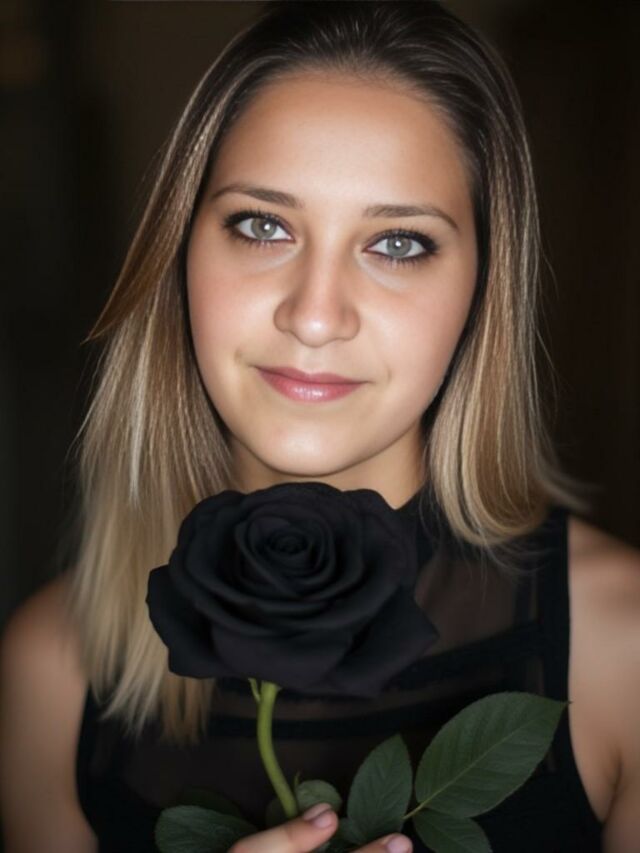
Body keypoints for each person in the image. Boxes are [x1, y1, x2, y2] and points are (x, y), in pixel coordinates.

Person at [1, 1, 639, 851]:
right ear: (178, 250)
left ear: (483, 289)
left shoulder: (624, 649)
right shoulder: (53, 669)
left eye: (398, 243)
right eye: (263, 226)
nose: (313, 315)